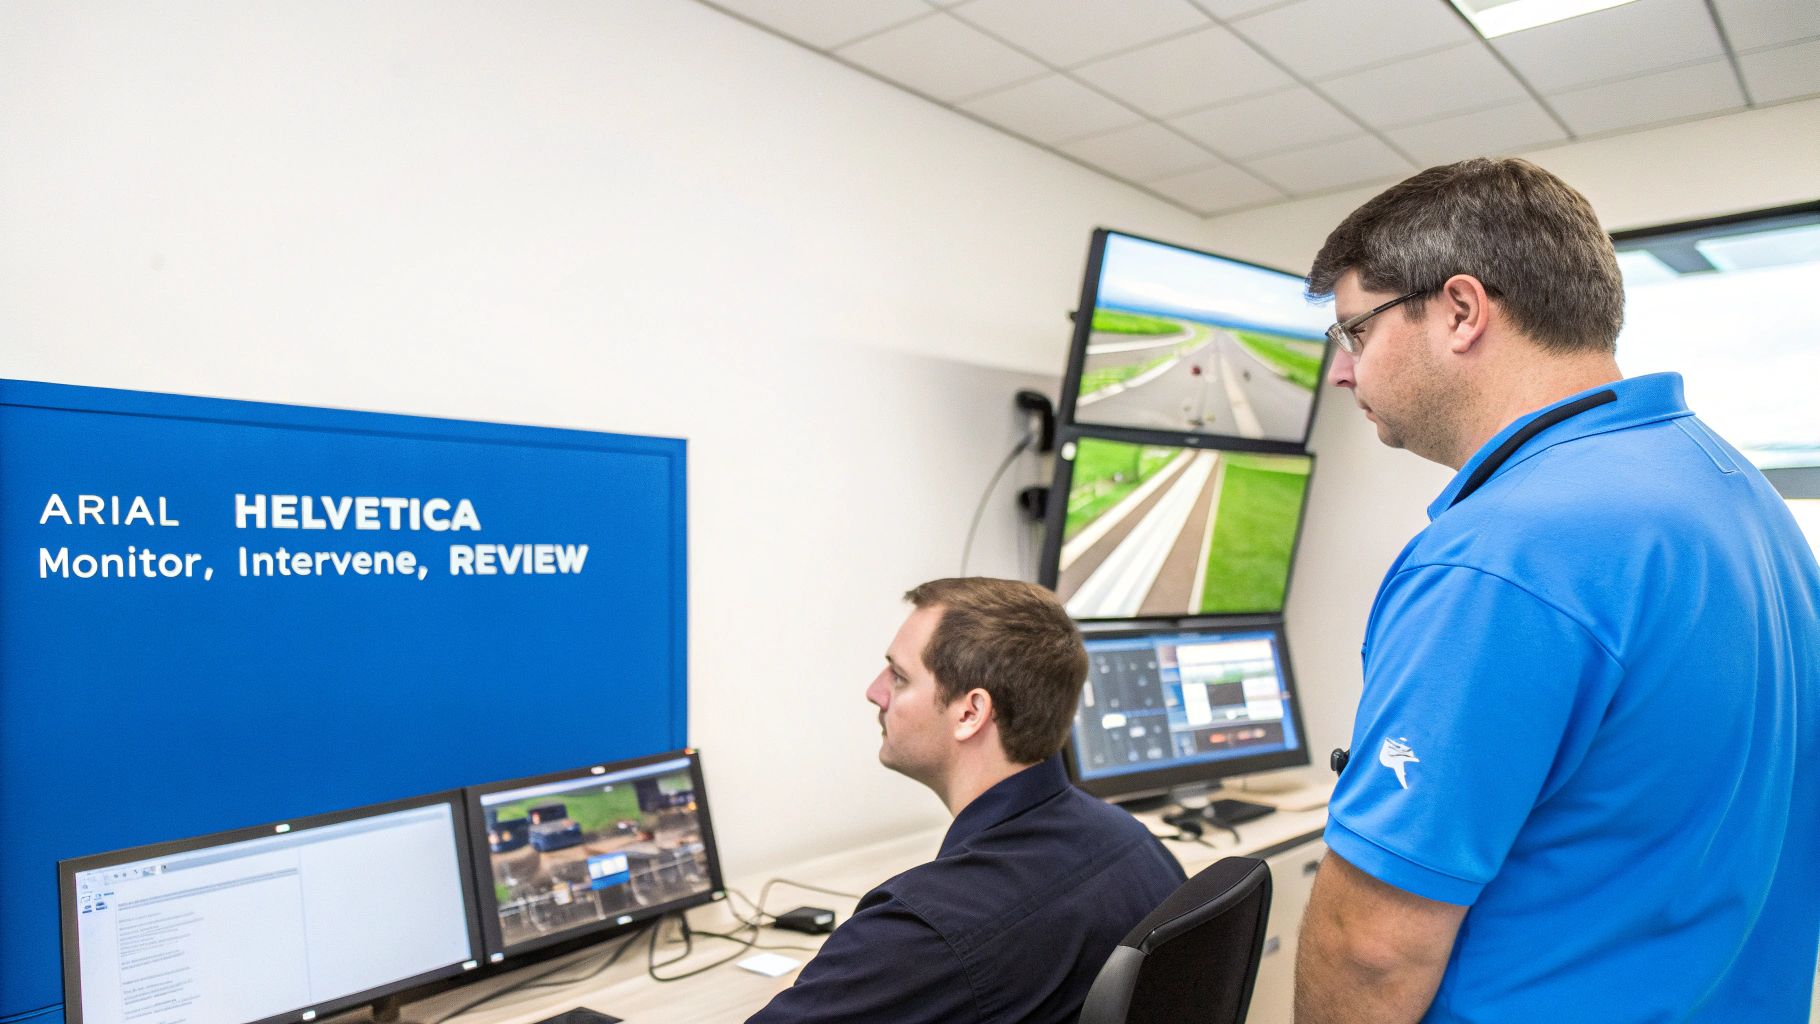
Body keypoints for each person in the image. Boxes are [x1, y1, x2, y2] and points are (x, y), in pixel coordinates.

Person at [1292, 157, 1820, 1023]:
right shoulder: (1730, 487)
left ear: (1461, 310)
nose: (1343, 372)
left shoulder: (1504, 554)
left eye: (1354, 332)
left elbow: (1373, 951)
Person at [746, 577, 1186, 1024]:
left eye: (898, 677)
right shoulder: (1139, 846)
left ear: (970, 713)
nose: (875, 692)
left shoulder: (924, 933)